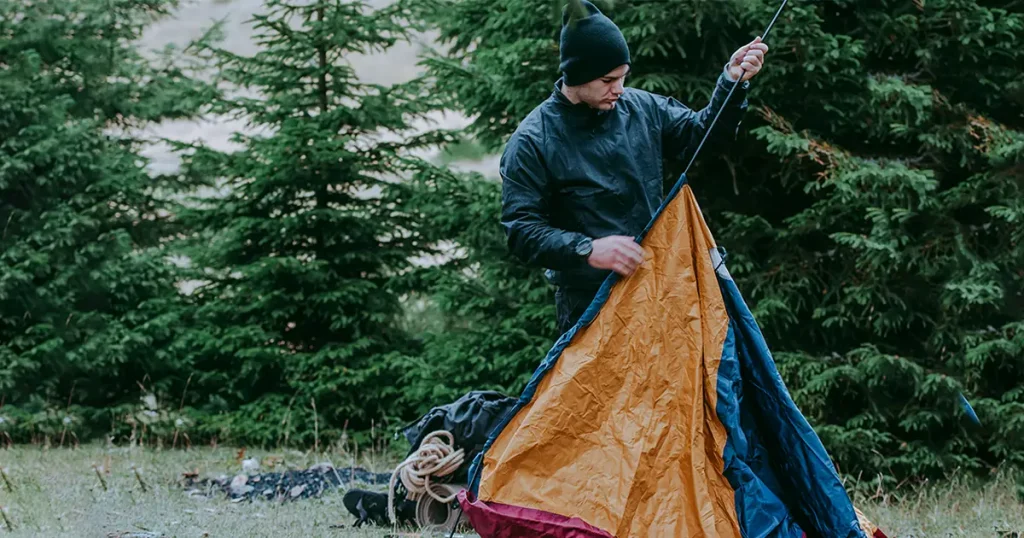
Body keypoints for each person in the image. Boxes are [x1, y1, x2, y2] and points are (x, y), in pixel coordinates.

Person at [499, 0, 768, 334]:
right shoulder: (532, 141)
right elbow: (521, 230)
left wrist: (732, 81)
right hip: (588, 308)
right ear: (578, 75)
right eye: (609, 80)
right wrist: (588, 249)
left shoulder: (641, 108)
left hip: (660, 292)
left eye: (624, 77)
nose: (620, 90)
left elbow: (703, 138)